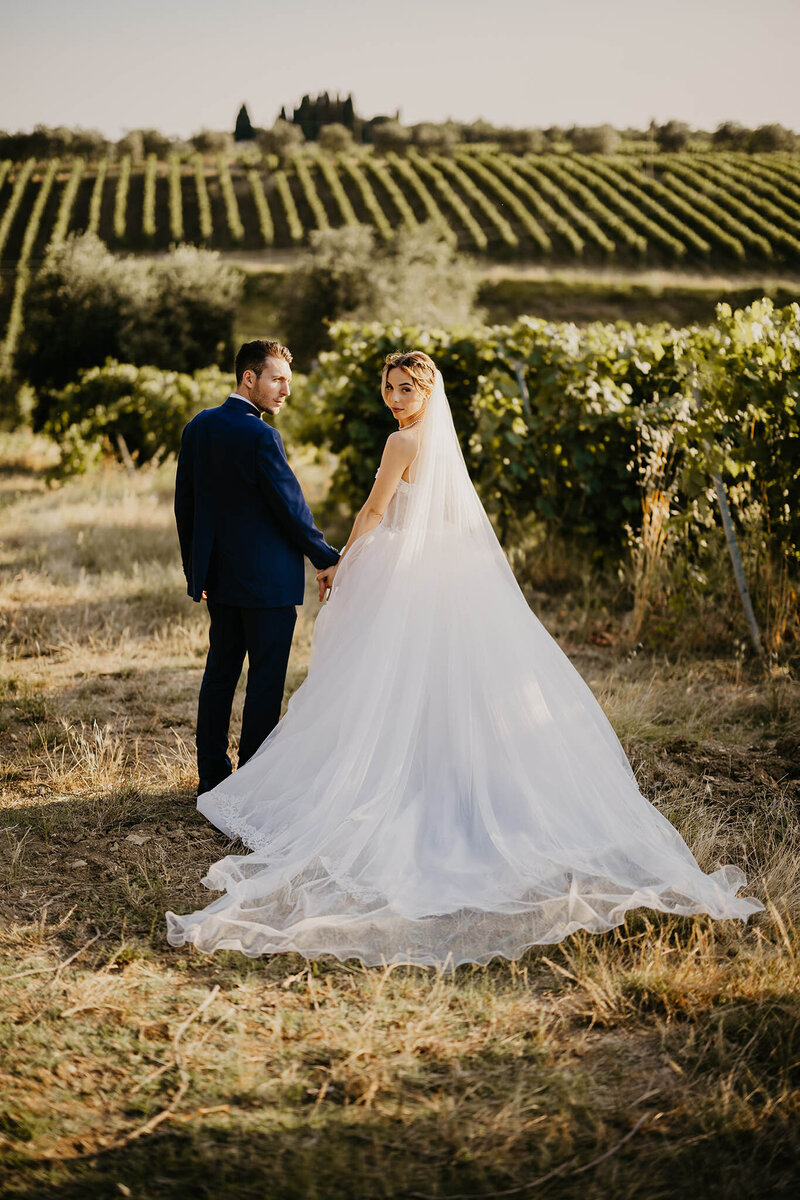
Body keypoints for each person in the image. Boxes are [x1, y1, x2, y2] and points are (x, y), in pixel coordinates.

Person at [166, 350, 763, 967]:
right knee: (406, 682)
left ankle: (232, 776)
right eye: (390, 388)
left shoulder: (223, 430)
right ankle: (298, 775)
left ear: (425, 392)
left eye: (404, 389)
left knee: (294, 678)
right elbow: (374, 511)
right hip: (425, 573)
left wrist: (328, 563)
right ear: (250, 379)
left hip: (335, 573)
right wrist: (333, 558)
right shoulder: (429, 444)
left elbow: (365, 510)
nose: (394, 399)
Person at [174, 339, 339, 799]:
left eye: (288, 381)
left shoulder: (198, 427)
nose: (285, 390)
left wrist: (197, 572)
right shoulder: (261, 435)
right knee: (265, 678)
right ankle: (252, 781)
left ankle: (211, 776)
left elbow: (184, 507)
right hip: (268, 584)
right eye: (278, 379)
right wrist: (329, 559)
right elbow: (291, 509)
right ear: (250, 378)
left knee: (220, 673)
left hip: (221, 580)